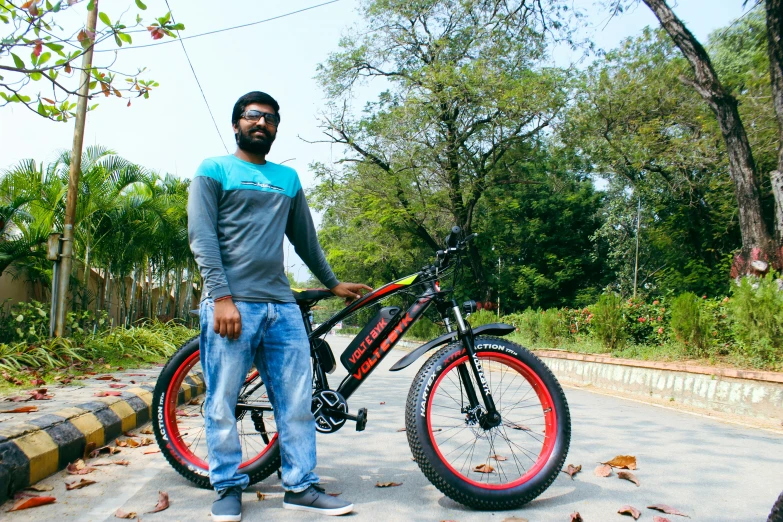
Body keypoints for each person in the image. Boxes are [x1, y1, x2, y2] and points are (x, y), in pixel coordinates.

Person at [187, 91, 371, 521]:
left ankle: (301, 486)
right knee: (222, 400)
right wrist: (222, 298)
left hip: (280, 307)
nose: (262, 123)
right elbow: (202, 238)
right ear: (236, 124)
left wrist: (332, 282)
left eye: (271, 119)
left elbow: (305, 239)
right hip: (233, 305)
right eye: (253, 116)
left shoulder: (286, 179)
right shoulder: (213, 169)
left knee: (295, 404)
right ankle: (228, 487)